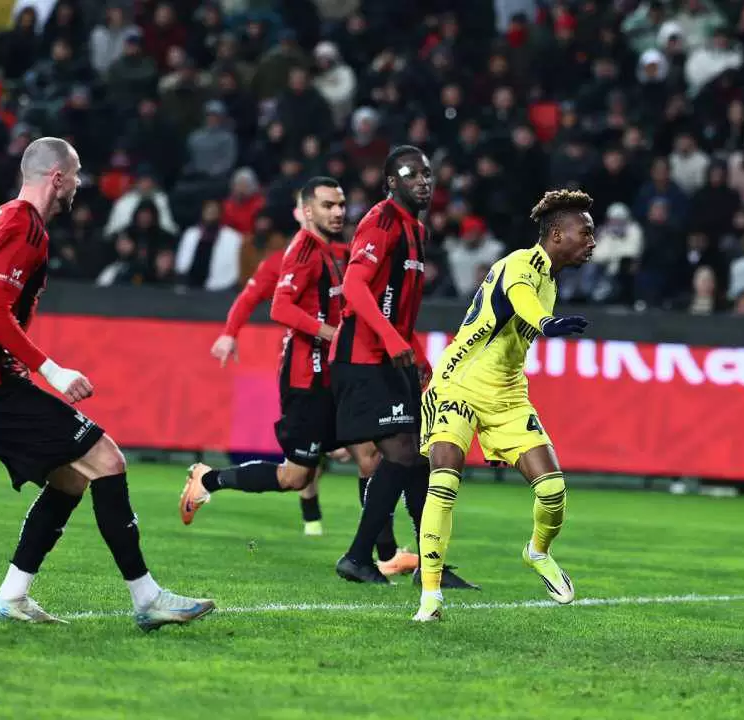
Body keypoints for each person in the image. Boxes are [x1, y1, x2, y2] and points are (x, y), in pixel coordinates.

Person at [0, 137, 214, 630]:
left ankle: (11, 596)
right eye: (76, 175)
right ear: (57, 178)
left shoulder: (5, 217)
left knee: (71, 476)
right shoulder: (25, 225)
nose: (80, 185)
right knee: (107, 459)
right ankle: (147, 598)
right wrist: (51, 370)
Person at [179, 178, 416, 573]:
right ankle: (208, 480)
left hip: (336, 376)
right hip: (307, 378)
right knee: (295, 477)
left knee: (371, 456)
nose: (338, 212)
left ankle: (386, 555)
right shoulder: (302, 251)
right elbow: (278, 306)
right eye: (327, 205)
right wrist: (327, 333)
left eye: (341, 204)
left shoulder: (338, 253)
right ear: (306, 211)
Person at [414, 189, 597, 622]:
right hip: (459, 381)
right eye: (585, 232)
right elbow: (520, 298)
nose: (592, 241)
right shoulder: (520, 264)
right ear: (557, 234)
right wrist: (547, 323)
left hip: (508, 394)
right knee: (444, 482)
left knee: (552, 491)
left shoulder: (550, 279)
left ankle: (537, 551)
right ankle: (431, 597)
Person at [331, 145, 474, 589]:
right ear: (391, 182)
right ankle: (359, 556)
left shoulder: (416, 229)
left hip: (391, 355)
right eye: (412, 175)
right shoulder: (382, 221)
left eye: (427, 174)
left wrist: (414, 350)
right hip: (363, 356)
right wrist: (394, 340)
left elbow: (398, 308)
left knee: (417, 458)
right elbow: (354, 286)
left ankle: (428, 566)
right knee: (400, 453)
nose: (423, 181)